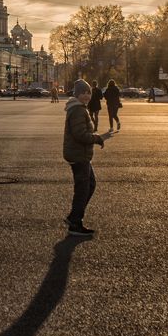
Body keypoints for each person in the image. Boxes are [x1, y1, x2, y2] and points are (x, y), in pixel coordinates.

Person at [63, 79, 105, 236]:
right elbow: (80, 134)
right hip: (78, 154)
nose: (87, 95)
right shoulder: (78, 110)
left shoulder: (79, 108)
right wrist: (96, 138)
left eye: (88, 93)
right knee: (83, 189)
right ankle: (75, 223)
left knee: (90, 185)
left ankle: (74, 216)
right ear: (77, 94)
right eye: (83, 93)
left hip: (80, 154)